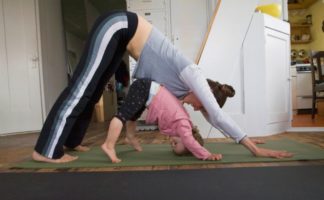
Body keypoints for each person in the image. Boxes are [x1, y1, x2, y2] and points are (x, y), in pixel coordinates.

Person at [32, 10, 292, 163]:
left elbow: (214, 118)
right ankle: (45, 150)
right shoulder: (194, 75)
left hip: (122, 38)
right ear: (204, 95)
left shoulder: (185, 93)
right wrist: (255, 149)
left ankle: (73, 140)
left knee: (96, 88)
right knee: (82, 87)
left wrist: (240, 138)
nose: (192, 108)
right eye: (198, 106)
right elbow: (217, 114)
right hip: (119, 25)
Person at [101, 79, 233, 163]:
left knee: (133, 115)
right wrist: (207, 155)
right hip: (147, 89)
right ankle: (109, 145)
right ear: (187, 141)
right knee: (123, 115)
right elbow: (189, 141)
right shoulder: (184, 126)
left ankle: (130, 137)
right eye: (177, 146)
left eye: (173, 147)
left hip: (148, 92)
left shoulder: (183, 123)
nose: (172, 144)